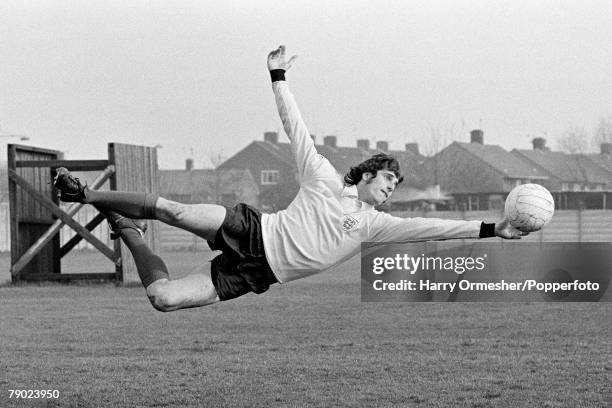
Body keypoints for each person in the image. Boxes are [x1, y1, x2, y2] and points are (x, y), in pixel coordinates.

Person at [53, 45, 526, 312]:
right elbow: (295, 128)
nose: (390, 189)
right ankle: (86, 192)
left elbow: (432, 228)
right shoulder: (321, 176)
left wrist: (494, 229)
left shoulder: (375, 226)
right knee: (174, 210)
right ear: (366, 174)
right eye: (386, 178)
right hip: (253, 228)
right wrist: (277, 76)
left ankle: (129, 232)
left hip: (257, 273)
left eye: (395, 186)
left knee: (163, 298)